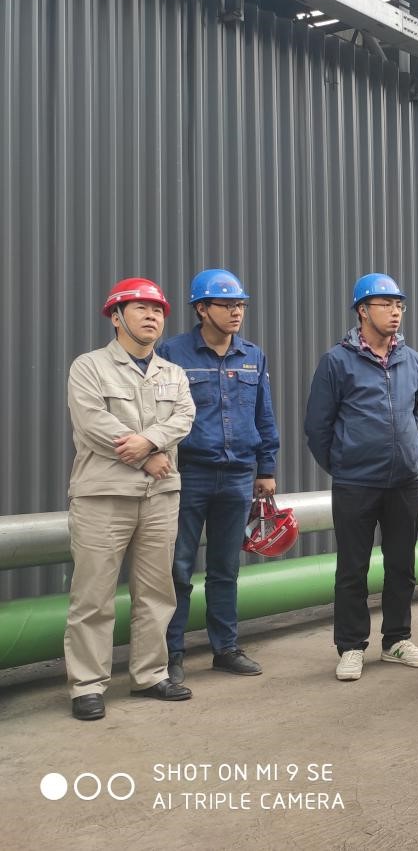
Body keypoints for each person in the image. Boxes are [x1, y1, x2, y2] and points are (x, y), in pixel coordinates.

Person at [64, 278, 197, 720]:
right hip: (104, 496)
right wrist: (146, 456)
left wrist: (150, 444)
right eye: (140, 308)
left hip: (160, 497)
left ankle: (150, 674)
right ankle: (87, 684)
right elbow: (92, 422)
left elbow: (185, 417)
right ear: (116, 317)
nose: (151, 316)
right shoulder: (89, 367)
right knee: (93, 595)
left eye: (157, 310)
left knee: (157, 591)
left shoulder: (172, 373)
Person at [305, 273, 418, 682]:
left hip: (404, 481)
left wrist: (405, 453)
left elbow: (414, 411)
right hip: (356, 482)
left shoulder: (411, 359)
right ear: (362, 310)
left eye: (399, 305)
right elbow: (317, 427)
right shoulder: (337, 361)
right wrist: (344, 463)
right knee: (352, 569)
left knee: (402, 565)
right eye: (385, 304)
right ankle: (351, 646)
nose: (395, 312)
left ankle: (397, 639)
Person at [159, 269, 280, 682]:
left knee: (226, 568)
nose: (236, 312)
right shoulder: (173, 353)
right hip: (188, 474)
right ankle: (171, 654)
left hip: (238, 474)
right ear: (201, 309)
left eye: (240, 305)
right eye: (226, 305)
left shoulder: (252, 355)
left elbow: (264, 413)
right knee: (178, 568)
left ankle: (225, 648)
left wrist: (266, 468)